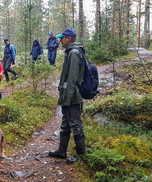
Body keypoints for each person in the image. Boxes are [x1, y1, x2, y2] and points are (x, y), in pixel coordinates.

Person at [48, 28, 86, 164]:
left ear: (69, 38)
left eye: (62, 38)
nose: (60, 40)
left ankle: (81, 155)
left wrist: (67, 100)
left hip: (73, 96)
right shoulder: (71, 52)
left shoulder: (74, 53)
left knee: (75, 124)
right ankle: (62, 151)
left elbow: (72, 79)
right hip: (69, 95)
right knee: (65, 124)